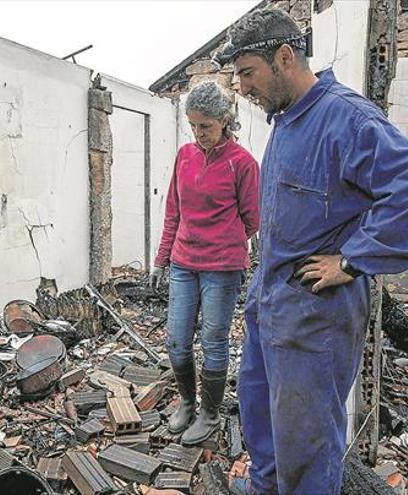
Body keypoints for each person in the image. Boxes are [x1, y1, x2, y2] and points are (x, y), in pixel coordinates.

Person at [214, 7, 408, 494]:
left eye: (247, 74)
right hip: (271, 304)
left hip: (314, 314)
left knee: (307, 440)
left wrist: (352, 260)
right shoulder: (286, 118)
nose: (242, 88)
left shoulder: (348, 119)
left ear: (284, 57)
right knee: (259, 414)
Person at [149, 81, 260, 446]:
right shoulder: (184, 155)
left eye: (206, 126)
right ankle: (186, 402)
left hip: (223, 267)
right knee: (177, 340)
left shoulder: (242, 164)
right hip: (183, 262)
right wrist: (161, 259)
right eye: (193, 126)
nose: (199, 134)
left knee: (213, 339)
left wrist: (224, 237)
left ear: (225, 121)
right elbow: (173, 211)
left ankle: (210, 413)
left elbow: (253, 219)